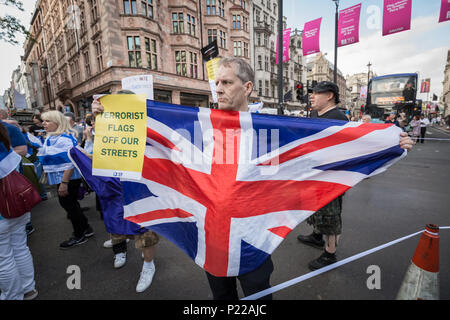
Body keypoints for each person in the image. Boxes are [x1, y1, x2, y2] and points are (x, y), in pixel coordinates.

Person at [297, 81, 414, 271]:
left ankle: (329, 254)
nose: (311, 96)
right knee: (317, 210)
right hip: (315, 172)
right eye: (311, 93)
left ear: (329, 96)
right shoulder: (314, 114)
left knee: (331, 215)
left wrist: (394, 141)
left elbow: (359, 144)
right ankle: (317, 235)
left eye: (316, 93)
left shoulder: (339, 118)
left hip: (333, 176)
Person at [90, 91, 158, 293]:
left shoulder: (149, 125)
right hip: (115, 186)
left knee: (145, 231)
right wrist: (98, 119)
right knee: (116, 222)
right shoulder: (107, 125)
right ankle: (120, 250)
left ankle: (148, 265)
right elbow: (101, 152)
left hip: (141, 188)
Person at [37, 111, 94, 249]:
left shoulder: (64, 139)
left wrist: (64, 183)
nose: (43, 123)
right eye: (43, 121)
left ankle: (79, 235)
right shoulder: (52, 138)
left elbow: (70, 162)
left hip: (67, 179)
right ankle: (86, 228)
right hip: (62, 178)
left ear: (57, 122)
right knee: (71, 205)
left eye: (47, 121)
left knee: (69, 206)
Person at [0, 122, 38, 300]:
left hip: (3, 212)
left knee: (3, 258)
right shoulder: (6, 132)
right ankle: (28, 289)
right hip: (18, 202)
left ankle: (13, 296)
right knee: (20, 247)